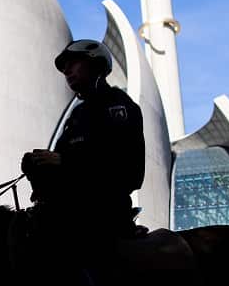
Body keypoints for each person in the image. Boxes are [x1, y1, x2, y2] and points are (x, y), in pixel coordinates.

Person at [21, 38, 145, 244]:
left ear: (96, 65)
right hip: (62, 213)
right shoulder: (77, 114)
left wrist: (63, 162)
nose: (67, 71)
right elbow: (64, 164)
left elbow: (130, 173)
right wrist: (40, 170)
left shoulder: (118, 106)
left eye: (73, 63)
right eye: (64, 68)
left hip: (101, 217)